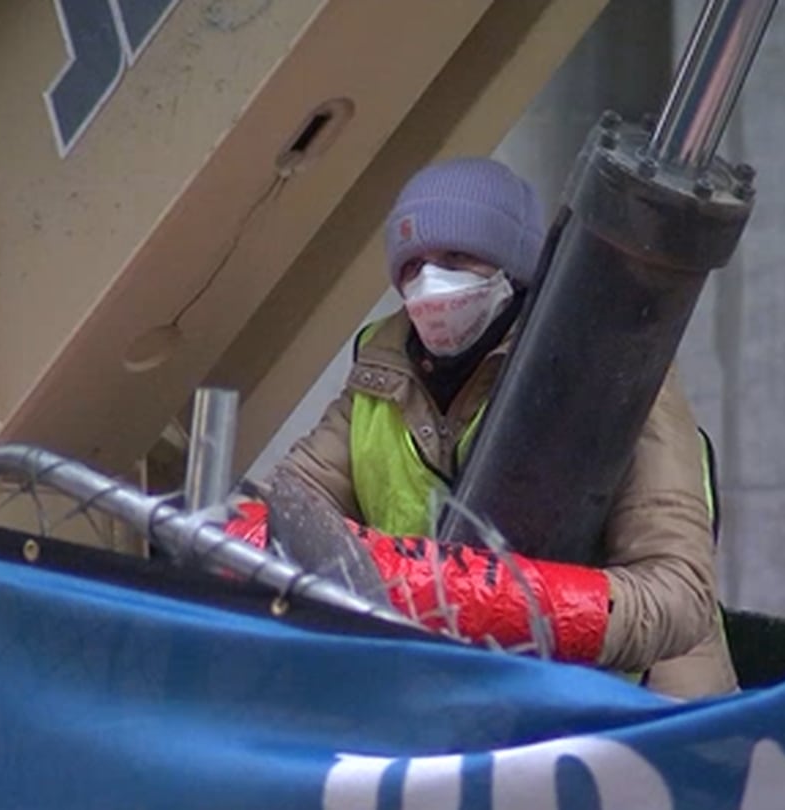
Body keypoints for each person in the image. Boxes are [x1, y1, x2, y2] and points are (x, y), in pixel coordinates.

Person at [230, 157, 737, 699]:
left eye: (456, 257)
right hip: (465, 697)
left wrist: (490, 599)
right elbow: (290, 508)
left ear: (511, 268)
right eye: (412, 265)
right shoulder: (383, 366)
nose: (430, 282)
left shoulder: (612, 369)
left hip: (640, 714)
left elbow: (678, 595)